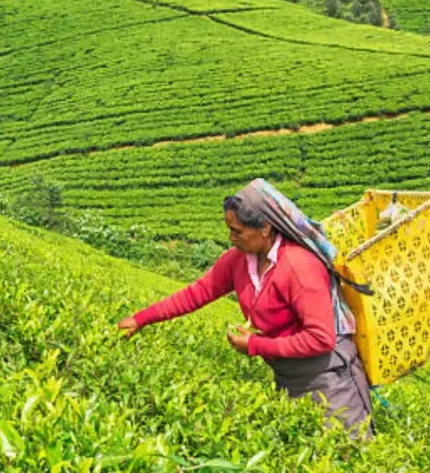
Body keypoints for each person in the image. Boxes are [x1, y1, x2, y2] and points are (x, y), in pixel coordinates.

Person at [117, 178, 373, 438]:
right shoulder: (238, 261)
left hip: (330, 379)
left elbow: (321, 338)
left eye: (237, 231)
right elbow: (196, 294)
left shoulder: (299, 267)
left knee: (344, 451)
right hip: (287, 374)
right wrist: (141, 319)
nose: (231, 238)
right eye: (229, 229)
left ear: (264, 228)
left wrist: (254, 345)